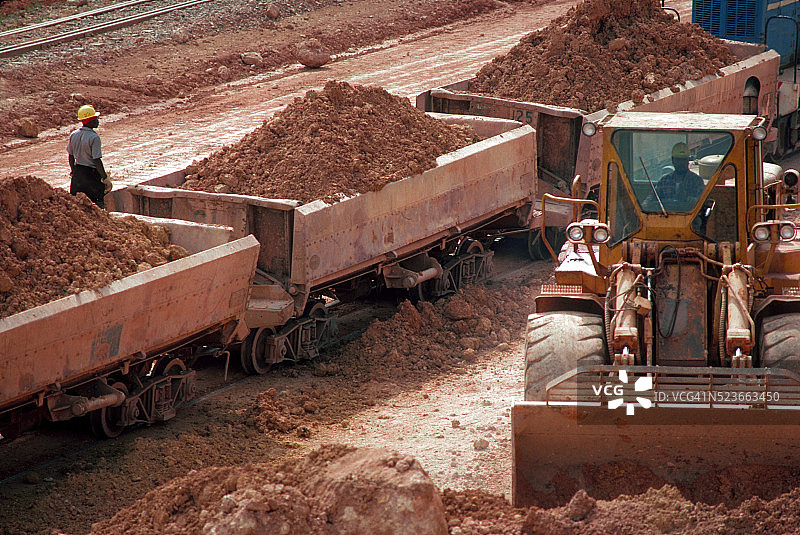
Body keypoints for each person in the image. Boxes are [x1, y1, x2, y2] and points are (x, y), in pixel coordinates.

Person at [67, 105, 111, 208]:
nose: (98, 121)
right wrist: (104, 177)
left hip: (78, 172)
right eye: (96, 119)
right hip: (91, 174)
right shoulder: (94, 137)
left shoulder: (74, 134)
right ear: (90, 121)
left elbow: (71, 156)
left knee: (76, 205)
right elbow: (96, 160)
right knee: (98, 203)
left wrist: (74, 171)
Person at [652, 142, 705, 212]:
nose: (681, 163)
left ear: (688, 161)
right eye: (678, 160)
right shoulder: (664, 181)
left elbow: (703, 203)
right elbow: (650, 199)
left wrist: (695, 201)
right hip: (666, 218)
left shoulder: (696, 181)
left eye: (683, 160)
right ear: (673, 161)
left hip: (689, 218)